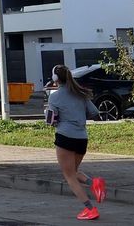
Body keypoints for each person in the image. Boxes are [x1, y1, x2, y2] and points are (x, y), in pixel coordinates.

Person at [44, 64, 107, 220]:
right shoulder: (80, 93)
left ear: (55, 79)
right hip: (81, 138)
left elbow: (51, 120)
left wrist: (48, 113)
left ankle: (90, 209)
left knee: (69, 176)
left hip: (65, 137)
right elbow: (94, 113)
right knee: (74, 171)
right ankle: (95, 183)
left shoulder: (54, 96)